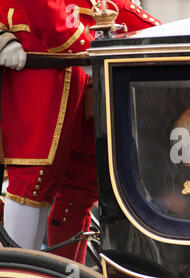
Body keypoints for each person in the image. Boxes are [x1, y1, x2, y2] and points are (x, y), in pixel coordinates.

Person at [0, 0, 159, 264]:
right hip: (43, 66)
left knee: (79, 190)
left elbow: (108, 7)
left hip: (77, 71)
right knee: (32, 182)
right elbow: (48, 16)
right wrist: (90, 49)